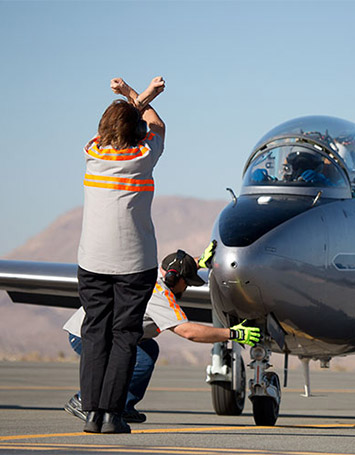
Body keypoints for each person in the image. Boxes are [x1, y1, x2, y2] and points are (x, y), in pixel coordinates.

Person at [64, 251, 260, 424]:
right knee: (137, 359)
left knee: (148, 350)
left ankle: (121, 406)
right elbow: (188, 332)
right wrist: (233, 333)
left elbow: (174, 266)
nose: (187, 287)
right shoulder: (159, 294)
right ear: (175, 280)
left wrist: (199, 261)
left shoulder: (156, 274)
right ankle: (85, 401)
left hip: (99, 332)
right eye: (188, 282)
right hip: (87, 336)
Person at [76, 76, 166, 434]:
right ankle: (113, 414)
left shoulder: (92, 153)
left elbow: (123, 125)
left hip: (92, 261)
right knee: (125, 335)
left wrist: (134, 96)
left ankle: (92, 412)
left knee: (95, 331)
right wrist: (137, 95)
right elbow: (156, 124)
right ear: (137, 132)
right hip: (134, 263)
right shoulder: (143, 156)